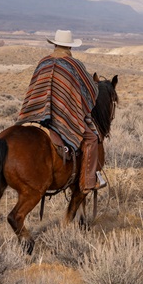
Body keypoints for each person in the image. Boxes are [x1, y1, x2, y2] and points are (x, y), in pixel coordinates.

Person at [16, 30, 106, 192]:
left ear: (55, 44)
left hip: (36, 112)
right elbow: (91, 90)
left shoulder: (43, 62)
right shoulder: (74, 65)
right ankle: (88, 182)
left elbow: (34, 86)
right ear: (70, 46)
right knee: (92, 138)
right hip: (63, 117)